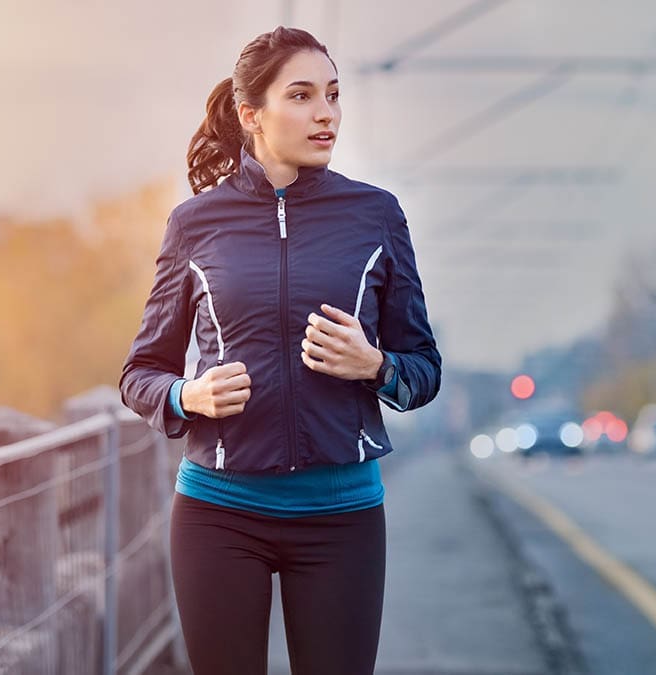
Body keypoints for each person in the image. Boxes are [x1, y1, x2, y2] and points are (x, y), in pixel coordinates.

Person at [118, 26, 441, 675]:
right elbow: (140, 373)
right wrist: (189, 394)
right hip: (218, 514)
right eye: (302, 95)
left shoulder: (375, 215)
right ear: (251, 114)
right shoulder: (195, 224)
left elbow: (424, 372)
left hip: (342, 519)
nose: (326, 113)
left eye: (333, 94)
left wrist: (375, 366)